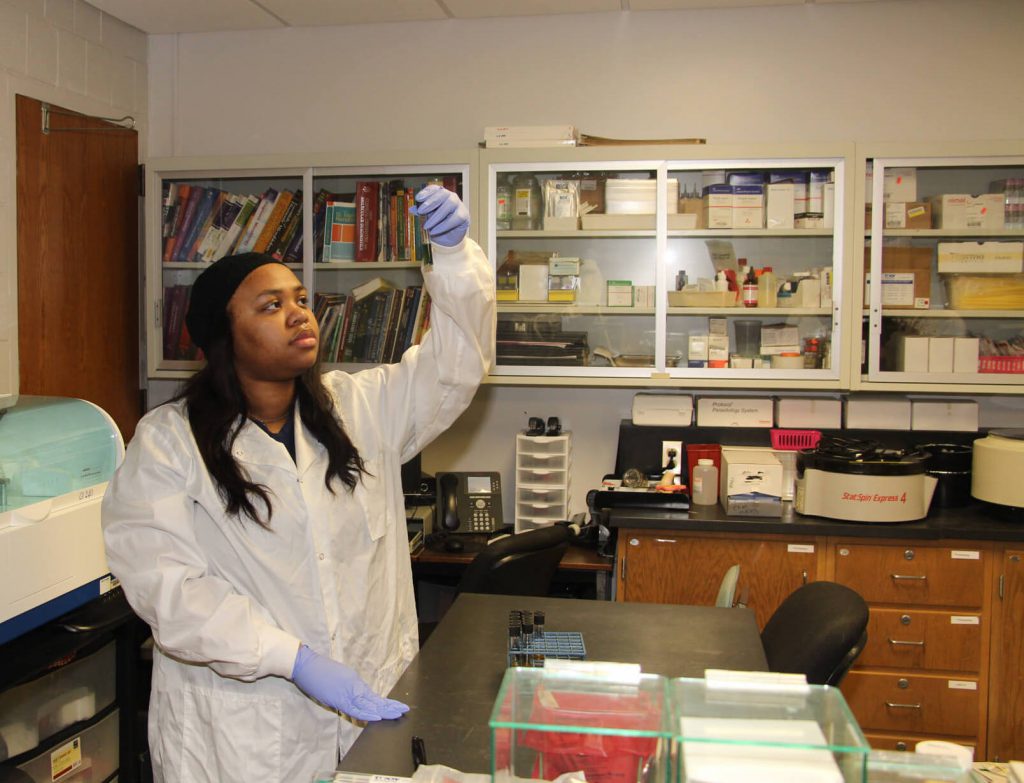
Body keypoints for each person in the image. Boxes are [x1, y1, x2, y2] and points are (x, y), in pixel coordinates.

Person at [101, 185, 495, 783]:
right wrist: (295, 659)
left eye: (301, 299)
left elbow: (456, 367)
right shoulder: (167, 444)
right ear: (221, 338)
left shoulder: (361, 410)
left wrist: (455, 254)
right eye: (269, 305)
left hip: (368, 716)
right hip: (244, 741)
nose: (299, 313)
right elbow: (172, 592)